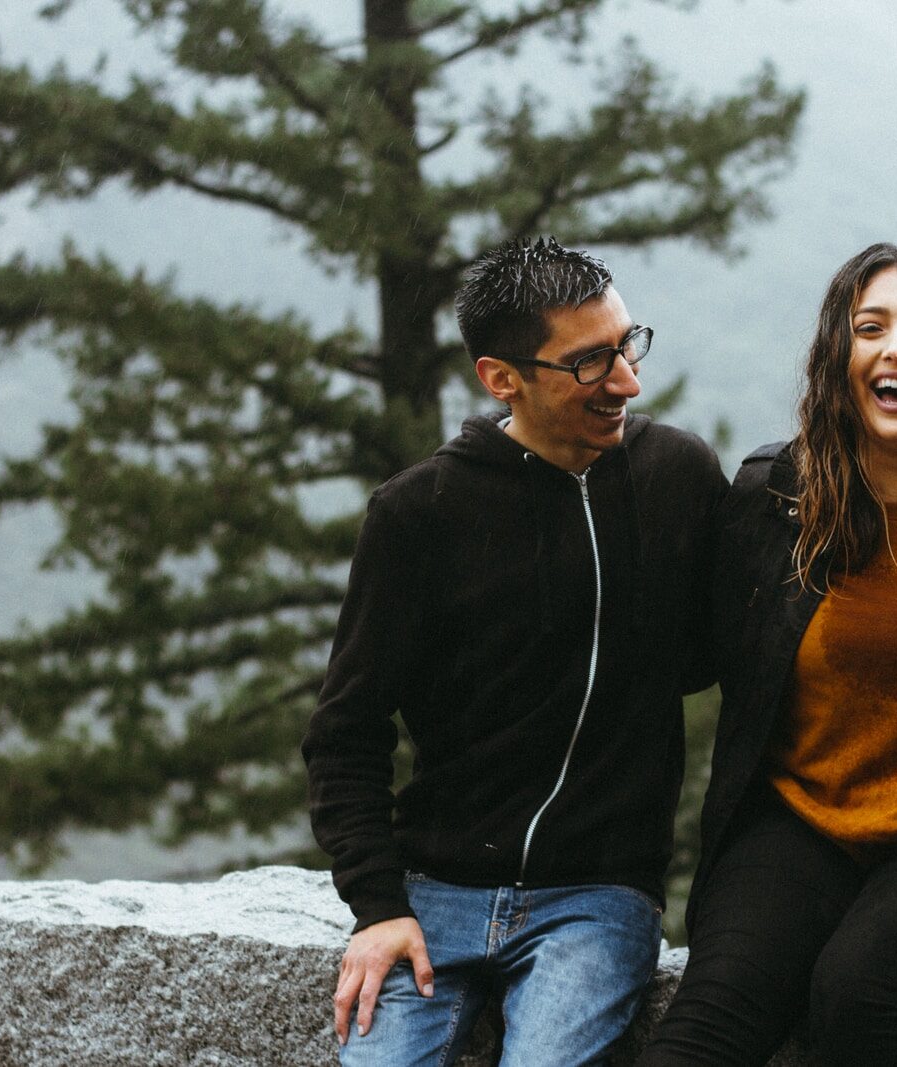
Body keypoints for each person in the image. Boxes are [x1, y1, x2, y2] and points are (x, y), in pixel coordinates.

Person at [302, 237, 727, 1066]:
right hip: (431, 896)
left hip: (597, 899)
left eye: (629, 345)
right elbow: (345, 731)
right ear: (503, 378)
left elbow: (725, 652)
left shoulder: (677, 476)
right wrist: (379, 904)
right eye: (592, 362)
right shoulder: (418, 512)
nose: (629, 382)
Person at [638, 242, 897, 1066]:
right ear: (842, 356)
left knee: (859, 995)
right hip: (802, 821)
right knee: (708, 1023)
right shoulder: (775, 501)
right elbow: (675, 657)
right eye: (872, 328)